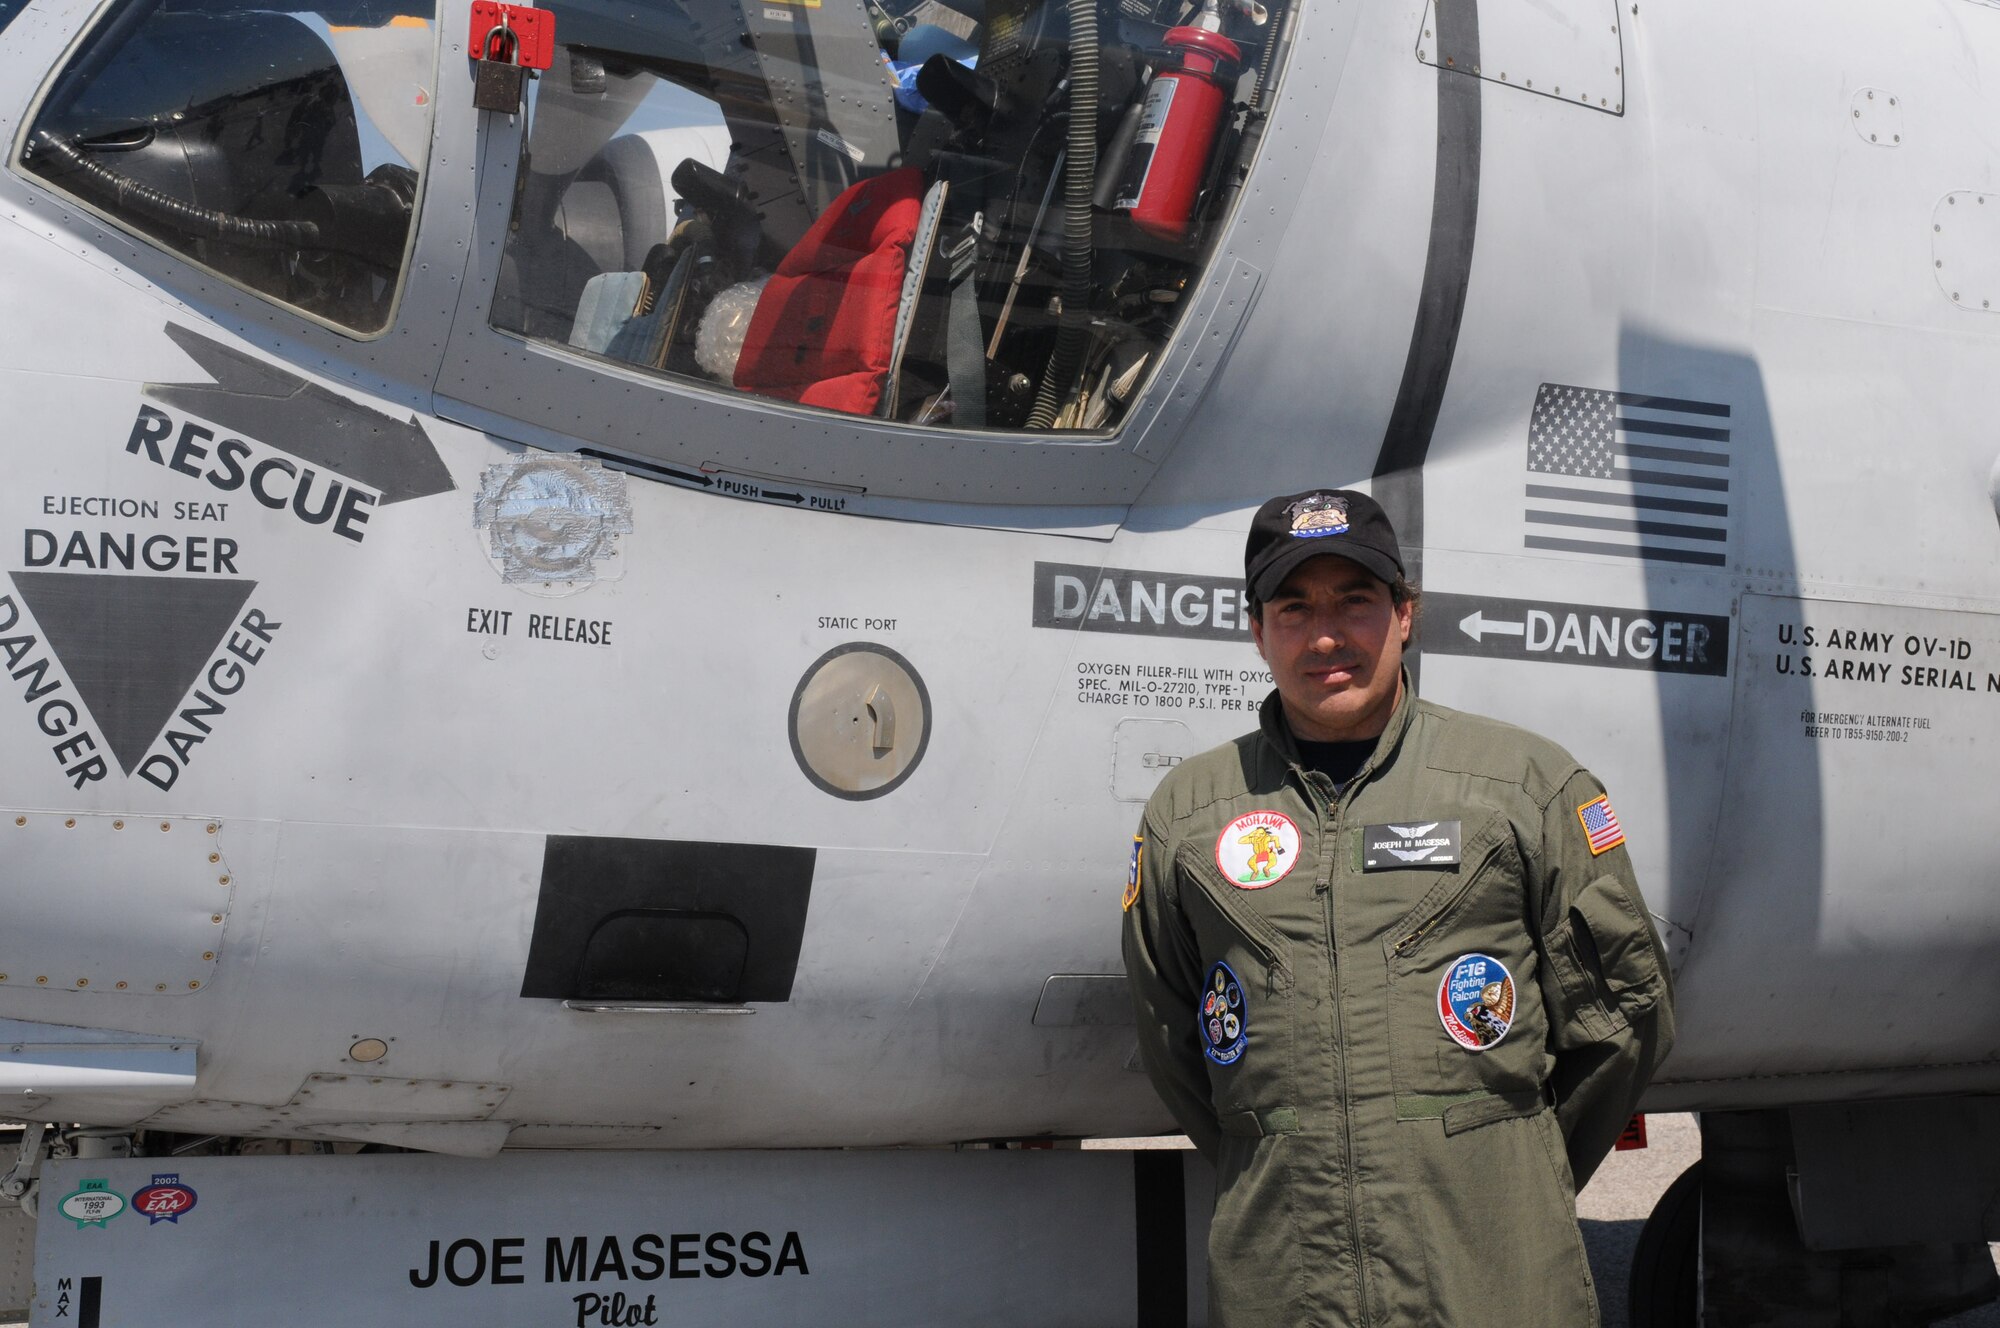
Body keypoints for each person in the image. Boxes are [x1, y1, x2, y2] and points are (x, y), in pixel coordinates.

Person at [1120, 488, 1675, 1326]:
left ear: (1405, 613)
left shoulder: (1521, 786)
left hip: (1495, 1281)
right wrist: (1284, 1144)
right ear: (1256, 628)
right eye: (1294, 606)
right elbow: (1175, 1037)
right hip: (1284, 1287)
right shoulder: (1190, 814)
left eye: (1356, 601)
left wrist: (1506, 1166)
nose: (1328, 635)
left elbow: (1620, 1024)